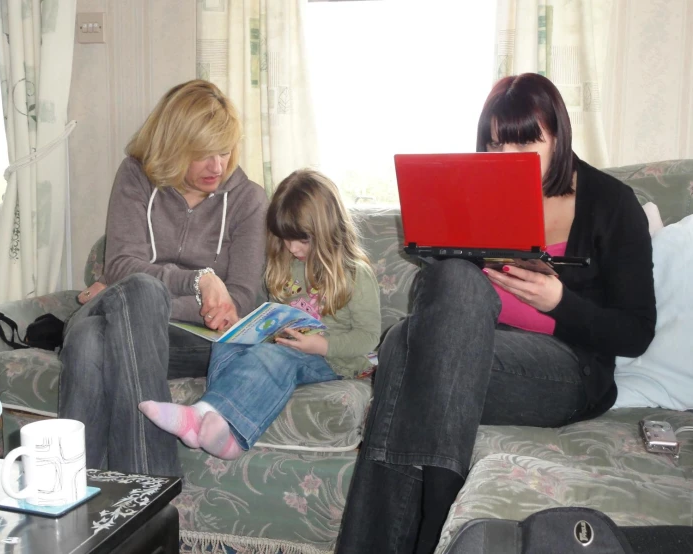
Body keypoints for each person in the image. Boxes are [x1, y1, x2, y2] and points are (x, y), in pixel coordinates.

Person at [335, 73, 656, 554]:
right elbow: (448, 300)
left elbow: (636, 332)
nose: (508, 159)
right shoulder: (476, 193)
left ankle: (431, 520)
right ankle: (438, 522)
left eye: (526, 141)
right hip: (472, 350)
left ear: (558, 134)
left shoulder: (612, 203)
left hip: (567, 367)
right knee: (443, 294)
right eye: (494, 145)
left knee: (405, 348)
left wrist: (559, 303)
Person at [58, 80, 269, 477]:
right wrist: (200, 281)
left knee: (122, 308)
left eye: (224, 152)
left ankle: (81, 496)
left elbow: (240, 299)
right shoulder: (136, 176)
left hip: (195, 340)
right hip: (131, 323)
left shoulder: (248, 200)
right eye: (202, 154)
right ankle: (131, 499)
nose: (217, 167)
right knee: (89, 338)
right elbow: (120, 263)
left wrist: (124, 300)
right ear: (173, 145)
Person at [137, 169, 382, 460]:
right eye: (286, 239)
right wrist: (245, 326)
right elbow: (270, 312)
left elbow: (368, 336)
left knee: (273, 357)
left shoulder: (355, 273)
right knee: (227, 342)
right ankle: (222, 435)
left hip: (332, 359)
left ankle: (204, 415)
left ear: (328, 230)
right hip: (287, 344)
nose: (292, 248)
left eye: (301, 240)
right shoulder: (284, 264)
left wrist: (320, 345)